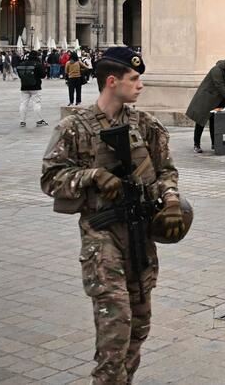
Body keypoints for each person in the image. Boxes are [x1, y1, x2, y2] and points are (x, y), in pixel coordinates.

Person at [41, 47, 187, 384]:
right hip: (101, 236)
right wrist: (90, 176)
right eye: (134, 79)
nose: (140, 86)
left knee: (140, 324)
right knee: (115, 328)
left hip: (141, 234)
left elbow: (167, 170)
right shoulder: (74, 128)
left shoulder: (147, 125)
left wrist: (171, 200)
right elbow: (50, 180)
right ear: (112, 81)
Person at [186, 54, 225, 153]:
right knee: (200, 121)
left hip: (218, 100)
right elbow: (219, 85)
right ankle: (196, 144)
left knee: (215, 121)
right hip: (206, 98)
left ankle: (215, 143)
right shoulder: (217, 70)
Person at [16, 51, 48, 127]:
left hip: (24, 86)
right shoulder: (37, 64)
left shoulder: (22, 64)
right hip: (35, 86)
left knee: (23, 104)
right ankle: (39, 120)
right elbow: (43, 75)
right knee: (36, 103)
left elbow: (20, 75)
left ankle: (22, 121)